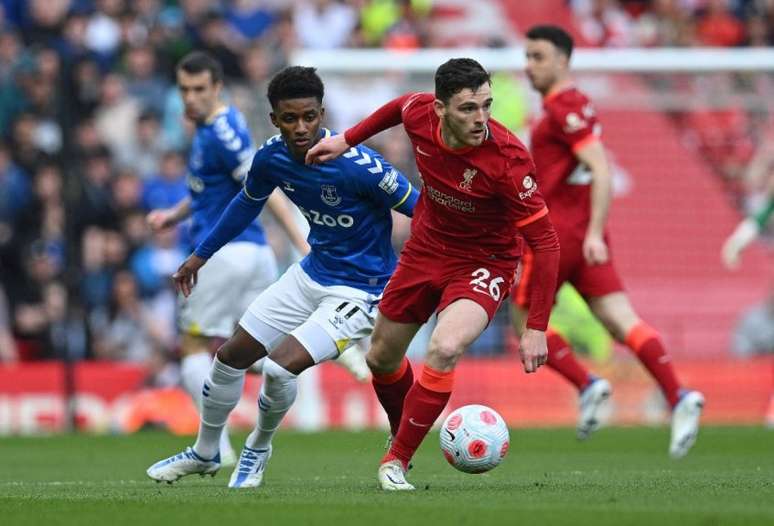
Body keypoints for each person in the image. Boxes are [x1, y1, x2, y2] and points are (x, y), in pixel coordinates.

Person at [146, 66, 419, 488]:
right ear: (274, 119)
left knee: (277, 370)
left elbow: (421, 211)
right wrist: (199, 257)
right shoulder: (271, 157)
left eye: (309, 117)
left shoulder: (359, 165)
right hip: (309, 276)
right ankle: (204, 452)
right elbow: (244, 204)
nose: (300, 127)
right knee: (229, 357)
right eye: (289, 118)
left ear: (322, 113)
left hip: (360, 290)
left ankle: (257, 447)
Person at [306, 58, 561, 491]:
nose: (481, 118)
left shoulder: (509, 161)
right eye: (468, 108)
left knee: (444, 347)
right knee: (380, 358)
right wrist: (346, 141)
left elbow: (547, 243)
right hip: (426, 249)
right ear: (440, 109)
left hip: (484, 261)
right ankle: (404, 428)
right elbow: (399, 106)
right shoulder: (420, 113)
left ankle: (396, 460)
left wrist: (536, 327)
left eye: (486, 105)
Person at [510, 25, 704, 458]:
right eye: (527, 56)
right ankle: (679, 396)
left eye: (537, 57)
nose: (529, 66)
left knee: (521, 320)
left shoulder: (562, 107)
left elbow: (600, 167)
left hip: (556, 234)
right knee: (622, 320)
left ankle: (588, 384)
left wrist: (594, 230)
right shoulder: (578, 104)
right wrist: (594, 233)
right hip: (584, 235)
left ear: (562, 60)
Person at [145, 51, 309, 466]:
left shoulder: (222, 131)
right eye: (184, 90)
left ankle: (213, 446)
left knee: (193, 348)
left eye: (199, 89)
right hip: (252, 255)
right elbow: (208, 193)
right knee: (250, 352)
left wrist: (301, 244)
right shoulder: (209, 130)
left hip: (220, 254)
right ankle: (326, 355)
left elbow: (262, 187)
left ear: (217, 87)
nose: (191, 98)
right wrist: (173, 215)